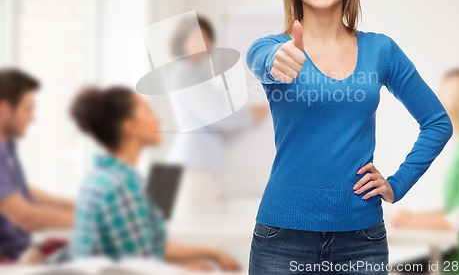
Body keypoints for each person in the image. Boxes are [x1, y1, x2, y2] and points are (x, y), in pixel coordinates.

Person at [245, 0, 454, 274]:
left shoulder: (381, 50)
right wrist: (276, 61)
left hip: (361, 239)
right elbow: (261, 61)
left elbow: (437, 122)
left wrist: (397, 184)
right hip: (282, 238)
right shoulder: (271, 48)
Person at [69, 85, 242, 272]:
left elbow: (150, 247)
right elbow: (138, 266)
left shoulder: (102, 177)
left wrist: (211, 254)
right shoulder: (122, 186)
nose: (157, 118)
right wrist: (187, 269)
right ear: (130, 127)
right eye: (147, 112)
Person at [390, 67, 459, 274]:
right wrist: (414, 217)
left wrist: (410, 221)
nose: (435, 102)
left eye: (441, 95)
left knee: (394, 272)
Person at [165, 14, 268, 218]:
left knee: (196, 234)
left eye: (205, 38)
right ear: (182, 42)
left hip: (194, 165)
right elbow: (217, 116)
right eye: (195, 38)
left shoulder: (193, 73)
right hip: (192, 167)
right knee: (197, 236)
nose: (203, 44)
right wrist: (251, 114)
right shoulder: (186, 73)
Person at [0, 68, 74, 263]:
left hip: (22, 250)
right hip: (10, 259)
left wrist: (79, 205)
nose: (32, 118)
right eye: (28, 109)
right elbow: (26, 217)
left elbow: (21, 193)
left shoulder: (7, 147)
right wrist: (92, 220)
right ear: (5, 109)